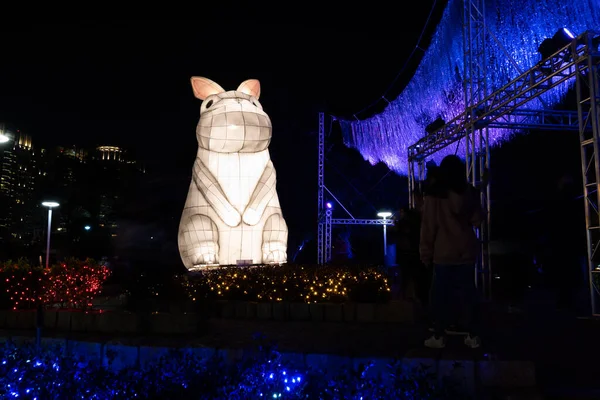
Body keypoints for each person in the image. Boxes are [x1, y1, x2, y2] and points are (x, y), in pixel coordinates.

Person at [420, 155, 483, 349]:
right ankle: (472, 335)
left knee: (440, 296)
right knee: (468, 293)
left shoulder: (435, 196)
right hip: (466, 250)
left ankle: (439, 336)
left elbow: (428, 227)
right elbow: (478, 220)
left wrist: (425, 253)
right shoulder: (470, 193)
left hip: (444, 252)